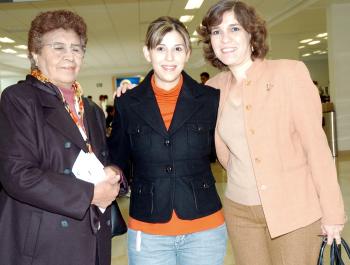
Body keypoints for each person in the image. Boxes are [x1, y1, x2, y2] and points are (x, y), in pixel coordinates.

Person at [197, 1, 346, 264]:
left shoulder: (289, 73)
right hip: (239, 211)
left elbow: (317, 148)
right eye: (217, 32)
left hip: (294, 212)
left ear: (251, 34)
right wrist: (132, 93)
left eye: (234, 28)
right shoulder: (213, 88)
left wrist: (333, 213)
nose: (225, 38)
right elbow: (173, 100)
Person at [0, 10, 122, 265]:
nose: (69, 56)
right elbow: (17, 174)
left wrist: (113, 172)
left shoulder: (92, 110)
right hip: (45, 243)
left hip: (93, 238)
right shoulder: (19, 99)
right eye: (58, 47)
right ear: (35, 53)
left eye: (76, 49)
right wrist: (89, 194)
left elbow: (103, 159)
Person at [109, 16, 227, 265]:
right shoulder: (128, 103)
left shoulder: (210, 100)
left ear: (187, 54)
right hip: (149, 231)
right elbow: (117, 158)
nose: (169, 58)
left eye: (177, 49)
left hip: (204, 230)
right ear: (147, 52)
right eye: (160, 48)